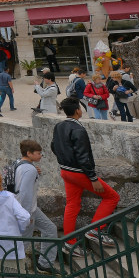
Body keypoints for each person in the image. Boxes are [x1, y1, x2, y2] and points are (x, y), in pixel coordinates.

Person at [51, 98, 119, 253]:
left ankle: (70, 243)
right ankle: (95, 229)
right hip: (79, 172)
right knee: (112, 197)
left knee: (72, 204)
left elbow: (53, 146)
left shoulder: (59, 126)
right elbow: (83, 156)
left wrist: (64, 158)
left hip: (65, 170)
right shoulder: (78, 129)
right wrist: (93, 178)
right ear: (77, 111)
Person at [14, 140, 58, 273]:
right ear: (29, 153)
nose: (41, 156)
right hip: (27, 210)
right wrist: (27, 216)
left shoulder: (18, 164)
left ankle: (44, 263)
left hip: (25, 208)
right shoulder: (30, 170)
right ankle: (13, 272)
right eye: (38, 153)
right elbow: (25, 193)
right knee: (23, 243)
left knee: (50, 229)